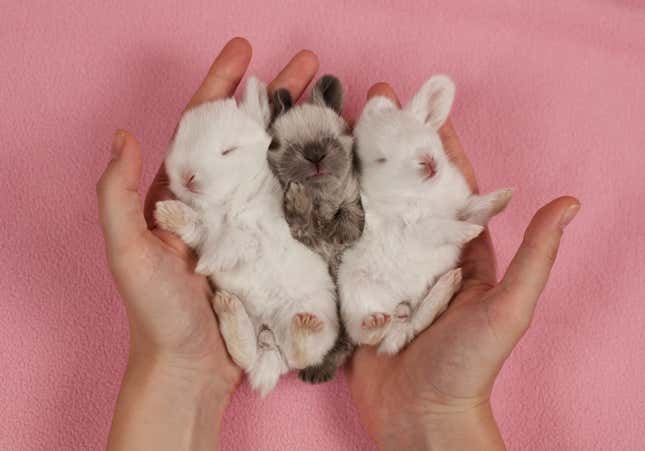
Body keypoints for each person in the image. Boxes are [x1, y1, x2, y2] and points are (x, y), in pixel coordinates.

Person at [97, 37, 580, 451]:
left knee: (316, 312)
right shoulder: (273, 188)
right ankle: (262, 340)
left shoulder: (355, 190)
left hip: (331, 290)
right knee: (301, 310)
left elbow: (345, 230)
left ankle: (295, 340)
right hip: (285, 288)